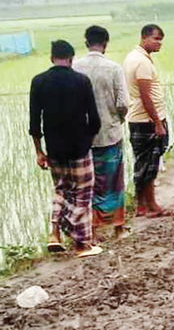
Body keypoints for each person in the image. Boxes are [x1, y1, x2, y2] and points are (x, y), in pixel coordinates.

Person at [29, 40, 102, 257]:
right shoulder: (81, 81)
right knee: (82, 193)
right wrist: (87, 141)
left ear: (52, 58)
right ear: (71, 59)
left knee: (61, 189)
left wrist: (39, 151)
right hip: (79, 147)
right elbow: (95, 120)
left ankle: (54, 234)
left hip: (55, 149)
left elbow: (34, 122)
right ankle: (82, 245)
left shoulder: (39, 81)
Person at [73, 25, 129, 241]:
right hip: (109, 134)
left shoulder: (75, 67)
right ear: (105, 43)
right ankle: (118, 227)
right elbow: (123, 103)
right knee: (114, 182)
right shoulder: (113, 68)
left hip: (84, 139)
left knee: (88, 185)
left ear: (86, 42)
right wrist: (117, 120)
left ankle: (93, 232)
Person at [123, 24, 172, 218]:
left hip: (139, 119)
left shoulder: (133, 58)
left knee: (143, 163)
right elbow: (145, 96)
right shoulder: (141, 62)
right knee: (149, 164)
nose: (159, 43)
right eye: (156, 38)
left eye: (161, 39)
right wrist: (158, 123)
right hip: (146, 121)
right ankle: (151, 206)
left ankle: (142, 205)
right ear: (144, 38)